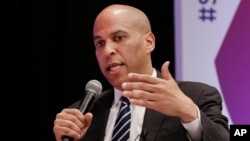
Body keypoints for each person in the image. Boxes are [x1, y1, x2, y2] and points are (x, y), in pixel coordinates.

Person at [53, 4, 230, 141]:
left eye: (118, 38)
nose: (108, 51)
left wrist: (189, 113)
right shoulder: (81, 115)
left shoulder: (196, 96)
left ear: (149, 42)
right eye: (100, 43)